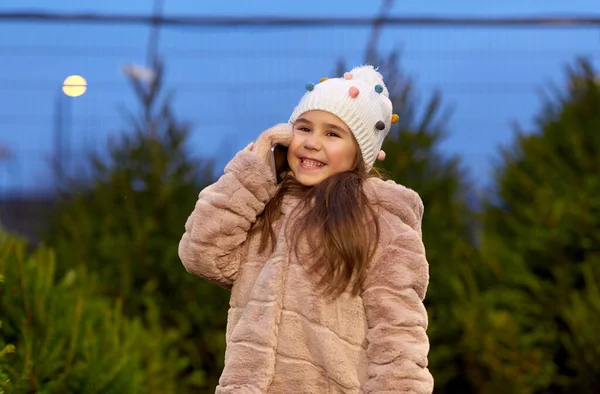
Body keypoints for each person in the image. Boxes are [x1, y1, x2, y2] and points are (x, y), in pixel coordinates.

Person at [178, 65, 433, 393]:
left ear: (360, 152)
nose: (312, 143)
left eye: (332, 134)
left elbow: (398, 335)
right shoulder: (266, 206)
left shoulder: (379, 220)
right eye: (303, 128)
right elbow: (203, 255)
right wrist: (259, 161)